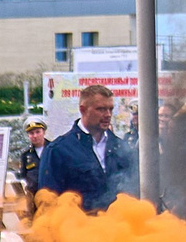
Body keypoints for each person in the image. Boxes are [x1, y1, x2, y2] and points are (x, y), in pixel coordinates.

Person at [34, 85, 137, 213]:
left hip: (121, 227)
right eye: (101, 109)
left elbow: (135, 191)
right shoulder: (58, 150)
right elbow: (48, 202)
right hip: (78, 228)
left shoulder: (121, 147)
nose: (108, 115)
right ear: (83, 110)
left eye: (110, 109)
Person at [13, 118, 49, 221]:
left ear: (44, 132)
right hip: (34, 196)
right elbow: (24, 175)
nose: (35, 136)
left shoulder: (54, 149)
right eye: (31, 133)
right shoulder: (26, 155)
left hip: (51, 194)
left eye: (38, 132)